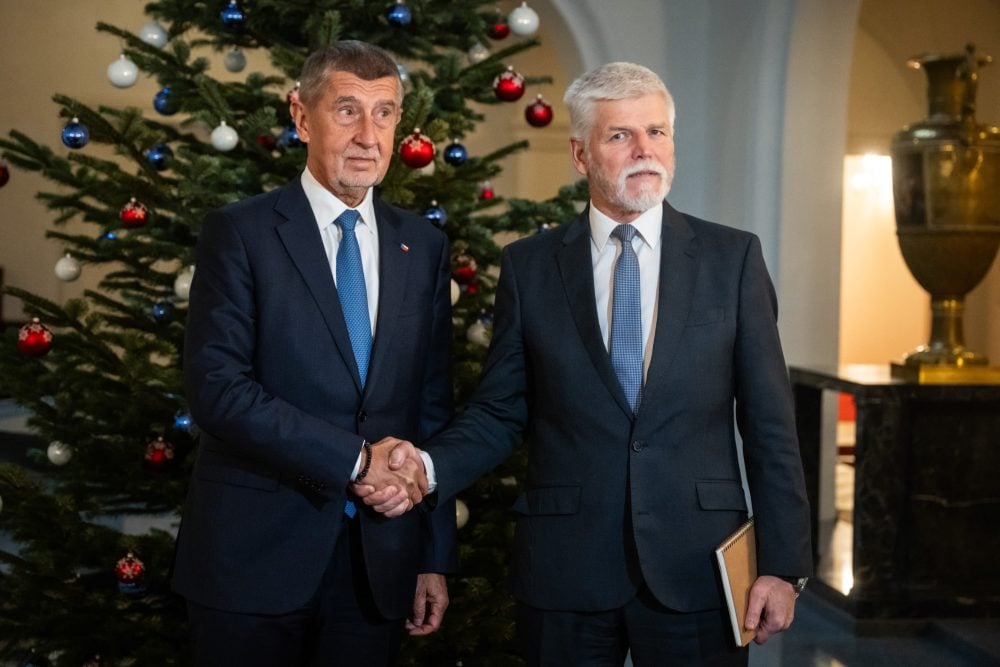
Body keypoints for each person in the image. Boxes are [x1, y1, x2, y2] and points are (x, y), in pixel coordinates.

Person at [357, 61, 812, 665]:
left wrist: (783, 564)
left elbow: (770, 424)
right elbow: (500, 412)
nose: (644, 149)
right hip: (565, 568)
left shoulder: (733, 259)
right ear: (580, 154)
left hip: (697, 564)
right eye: (620, 135)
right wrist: (427, 467)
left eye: (657, 132)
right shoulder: (530, 266)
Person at [172, 40, 456, 666]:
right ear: (301, 116)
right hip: (252, 560)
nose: (368, 136)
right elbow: (219, 390)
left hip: (378, 565)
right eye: (347, 110)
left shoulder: (424, 246)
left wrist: (431, 554)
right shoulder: (240, 232)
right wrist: (356, 460)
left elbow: (431, 407)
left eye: (384, 114)